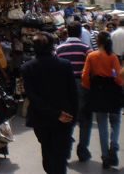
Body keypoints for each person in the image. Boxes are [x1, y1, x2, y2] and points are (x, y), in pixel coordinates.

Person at [21, 32, 78, 174]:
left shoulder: (27, 68)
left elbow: (32, 97)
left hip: (41, 118)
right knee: (60, 156)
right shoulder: (65, 65)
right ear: (52, 46)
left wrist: (54, 113)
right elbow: (73, 94)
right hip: (64, 118)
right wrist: (72, 117)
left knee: (47, 151)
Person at [81, 31, 122, 168]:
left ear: (97, 42)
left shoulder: (91, 56)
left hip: (97, 92)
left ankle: (105, 156)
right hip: (113, 92)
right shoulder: (113, 57)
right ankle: (114, 146)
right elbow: (117, 76)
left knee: (102, 124)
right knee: (116, 121)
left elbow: (85, 76)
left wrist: (88, 89)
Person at [55, 21, 92, 162]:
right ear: (79, 33)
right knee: (85, 120)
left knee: (68, 118)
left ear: (68, 32)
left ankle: (66, 150)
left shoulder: (59, 49)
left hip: (65, 88)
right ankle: (83, 151)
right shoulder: (86, 49)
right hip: (83, 86)